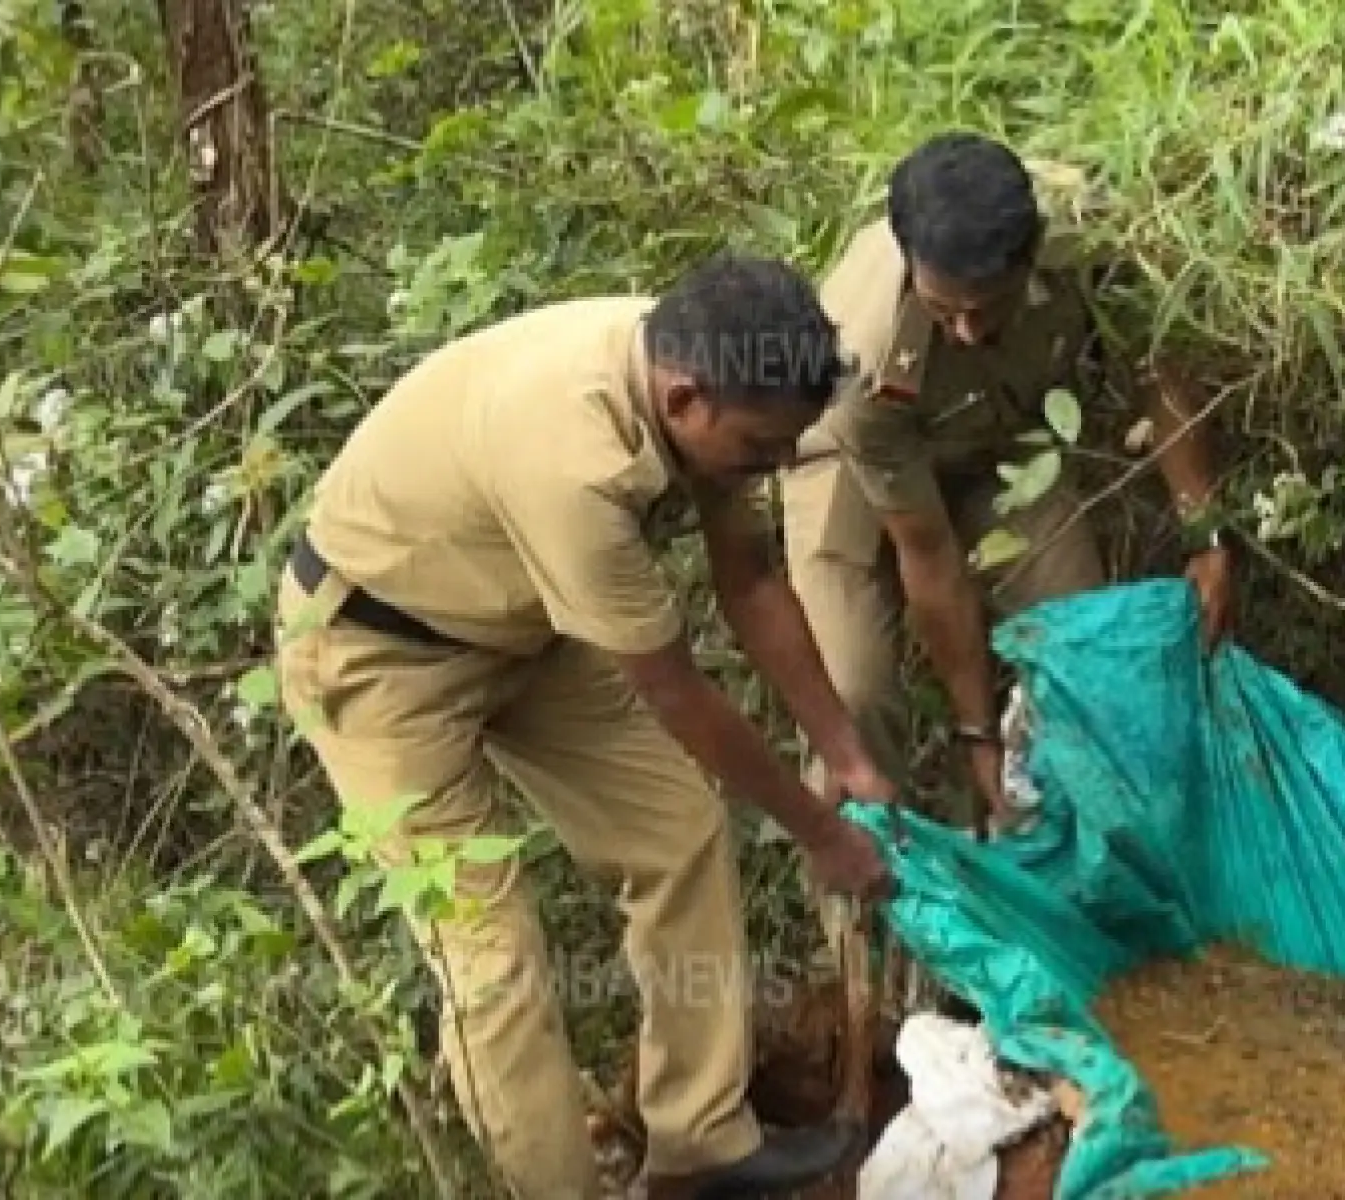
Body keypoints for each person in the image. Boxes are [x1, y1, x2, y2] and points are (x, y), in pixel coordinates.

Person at [273, 253, 901, 1200]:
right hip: (376, 652)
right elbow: (677, 694)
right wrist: (820, 833)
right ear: (685, 400)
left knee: (677, 829)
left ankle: (701, 1139)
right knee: (494, 957)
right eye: (761, 449)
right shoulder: (575, 463)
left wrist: (847, 756)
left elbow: (755, 583)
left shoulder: (710, 377)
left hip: (522, 626)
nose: (774, 468)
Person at [778, 131, 1236, 832]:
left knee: (1081, 648)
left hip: (1000, 448)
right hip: (851, 470)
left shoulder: (1094, 234)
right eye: (942, 310)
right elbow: (927, 556)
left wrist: (1205, 533)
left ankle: (1054, 861)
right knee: (854, 697)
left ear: (1031, 257)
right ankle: (859, 915)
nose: (964, 331)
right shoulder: (859, 357)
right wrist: (976, 731)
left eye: (987, 307)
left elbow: (1159, 373)